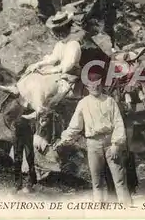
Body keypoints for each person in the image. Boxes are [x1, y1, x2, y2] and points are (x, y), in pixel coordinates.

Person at [53, 72, 132, 206]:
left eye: (97, 85)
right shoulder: (83, 103)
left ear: (101, 85)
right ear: (87, 88)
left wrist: (116, 144)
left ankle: (127, 210)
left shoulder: (110, 101)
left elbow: (118, 123)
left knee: (119, 180)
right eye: (91, 86)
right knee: (96, 181)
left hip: (109, 143)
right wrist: (63, 140)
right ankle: (99, 213)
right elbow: (75, 126)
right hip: (93, 145)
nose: (95, 88)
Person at [0, 9, 87, 119]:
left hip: (69, 75)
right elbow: (53, 58)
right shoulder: (61, 43)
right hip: (58, 70)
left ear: (66, 28)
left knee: (41, 82)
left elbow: (67, 65)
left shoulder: (73, 44)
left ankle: (39, 108)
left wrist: (51, 70)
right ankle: (19, 90)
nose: (57, 34)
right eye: (56, 31)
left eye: (59, 30)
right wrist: (39, 64)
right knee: (32, 73)